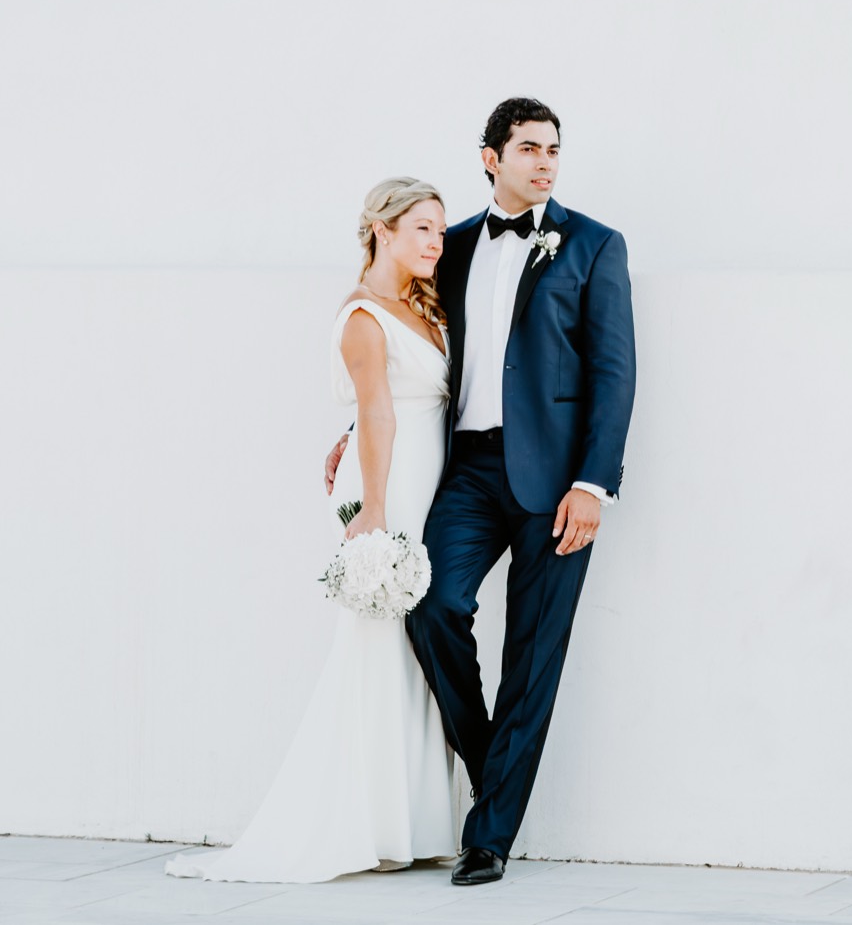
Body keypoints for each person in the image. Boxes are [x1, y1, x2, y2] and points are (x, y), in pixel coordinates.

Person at [324, 97, 637, 885]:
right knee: (432, 606)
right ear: (491, 158)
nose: (545, 162)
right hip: (466, 469)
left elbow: (614, 372)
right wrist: (355, 432)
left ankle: (489, 838)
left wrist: (593, 483)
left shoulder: (594, 245)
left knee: (533, 654)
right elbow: (408, 352)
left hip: (559, 484)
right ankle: (496, 768)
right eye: (528, 148)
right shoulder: (452, 244)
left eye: (554, 149)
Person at [167, 178, 457, 882]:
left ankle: (415, 821)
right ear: (382, 229)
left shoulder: (420, 304)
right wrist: (375, 512)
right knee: (379, 643)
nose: (435, 242)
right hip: (388, 489)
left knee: (413, 648)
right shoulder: (363, 316)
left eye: (440, 231)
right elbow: (377, 412)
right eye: (422, 228)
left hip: (423, 482)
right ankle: (372, 825)